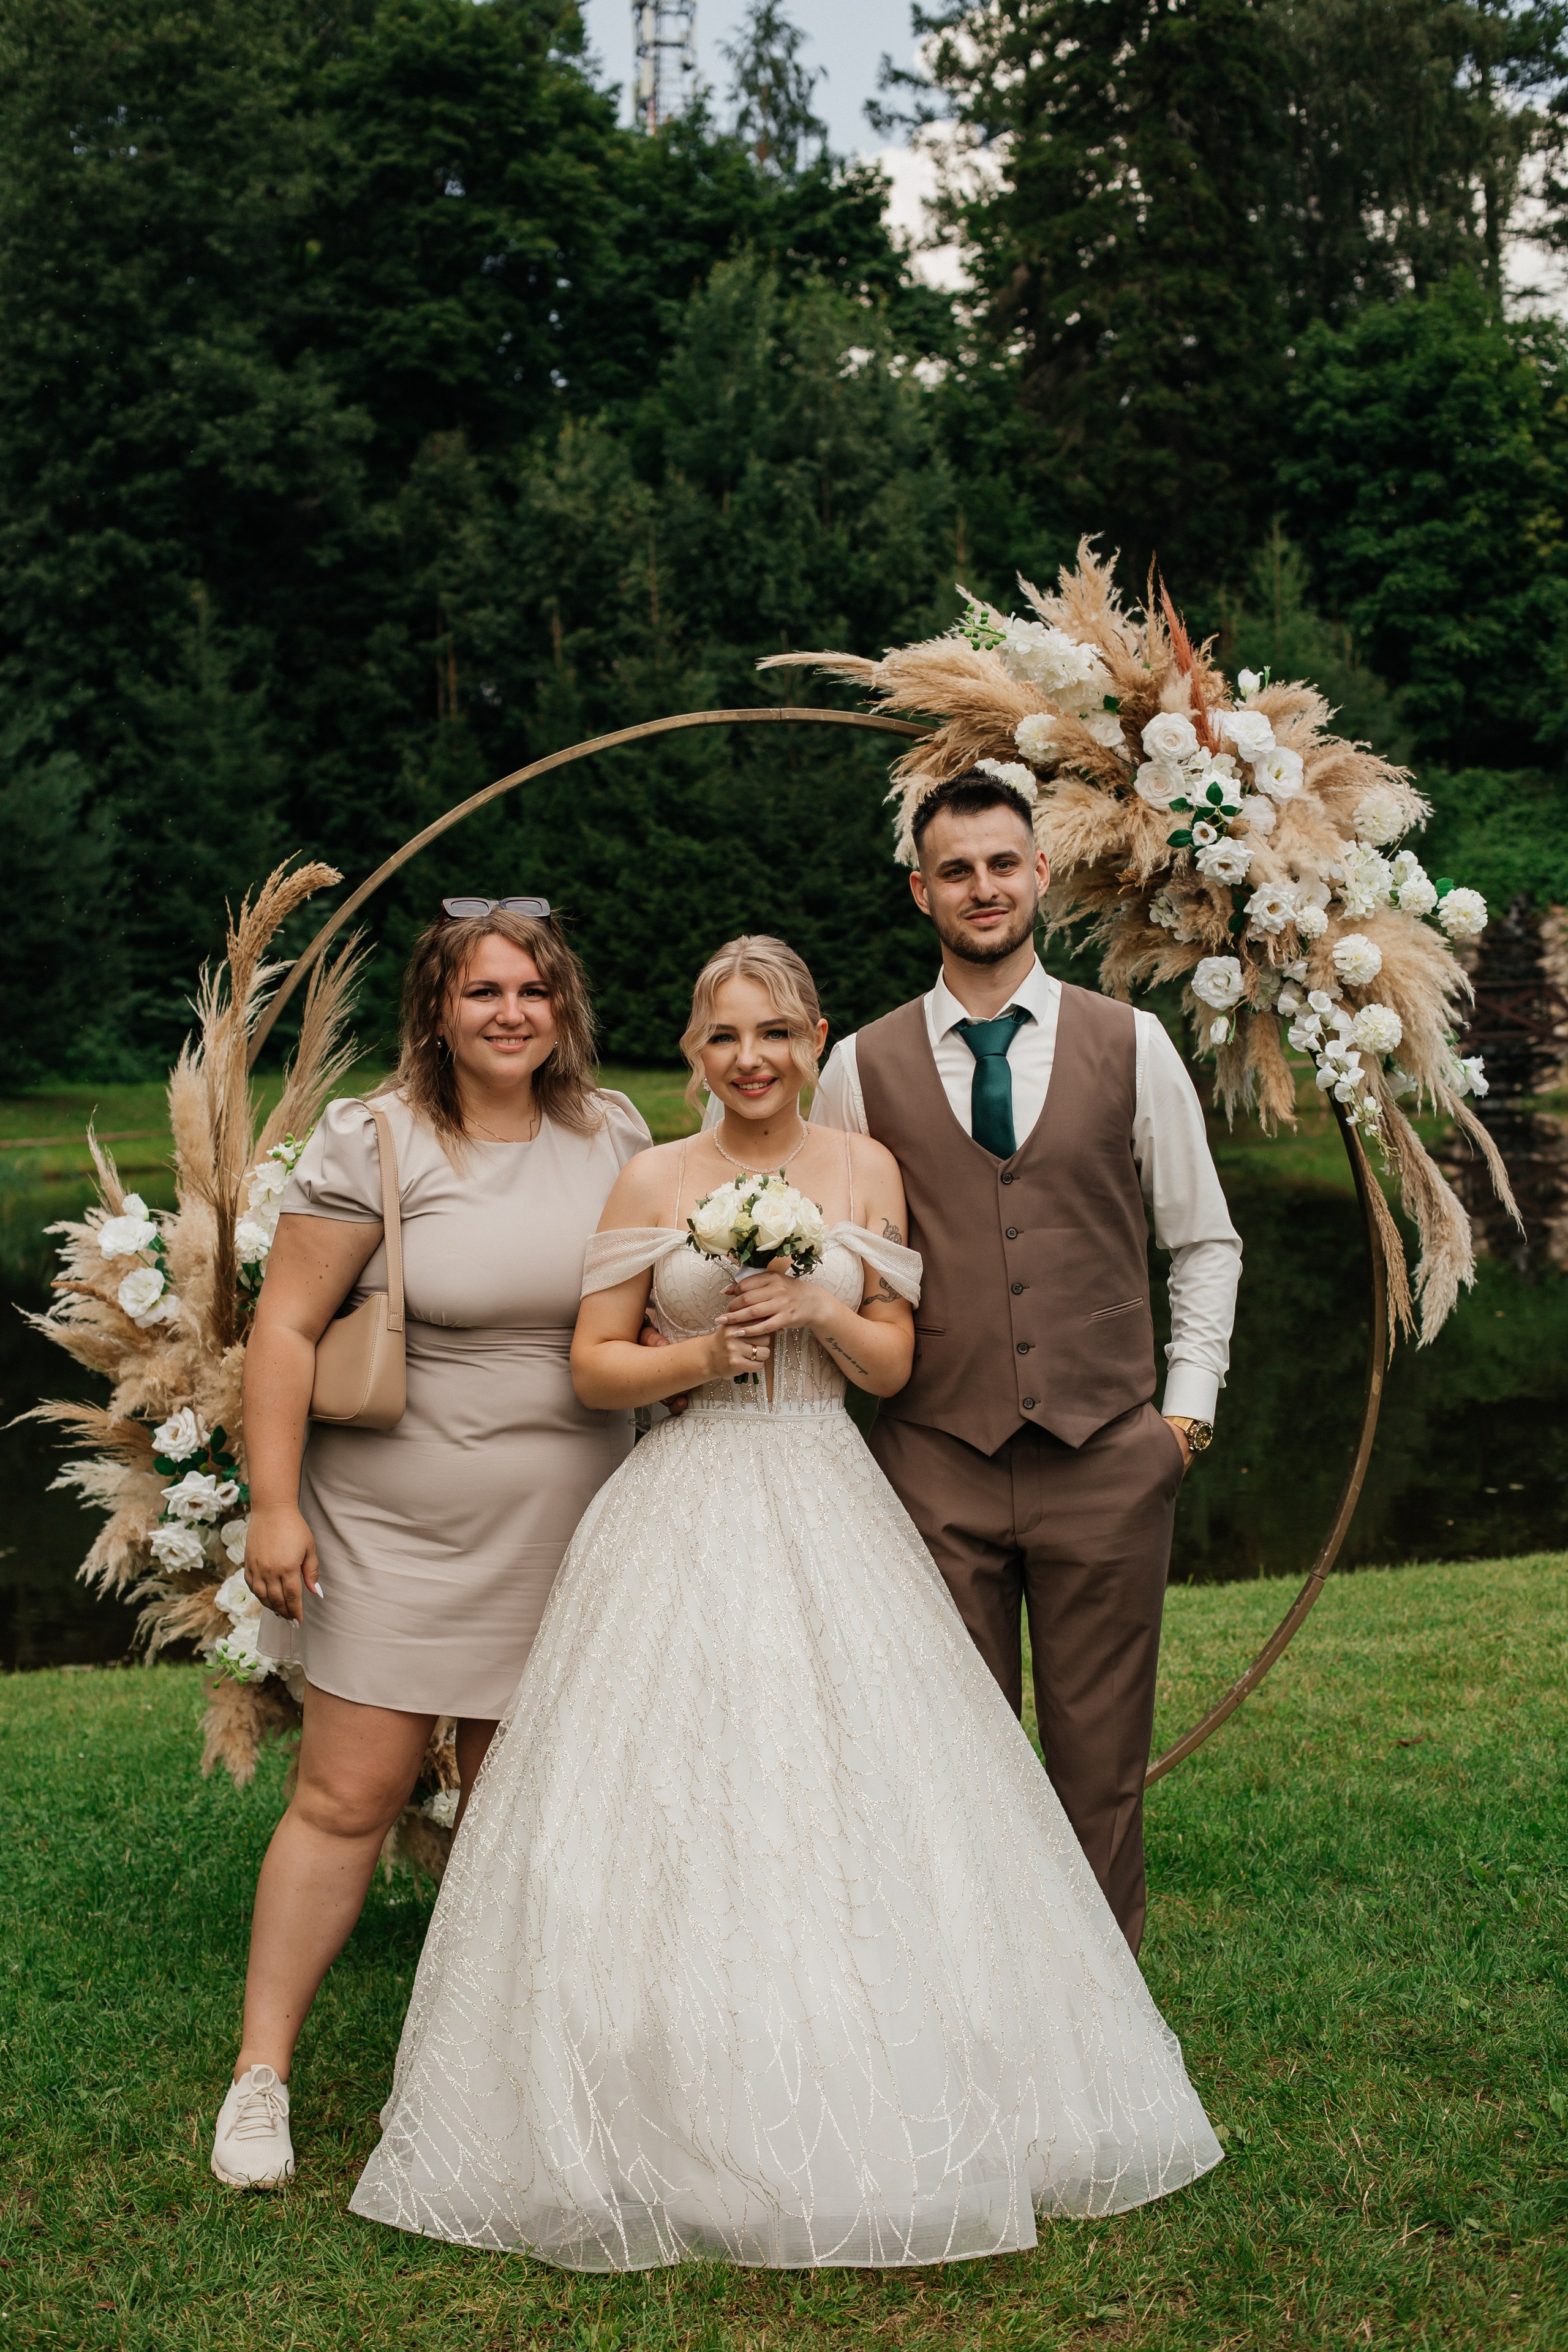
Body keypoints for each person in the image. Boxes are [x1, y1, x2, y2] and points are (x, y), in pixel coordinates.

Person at [349, 933, 1221, 2269]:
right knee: (678, 1789)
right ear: (694, 1054)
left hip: (827, 1484)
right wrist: (702, 1355)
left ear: (815, 1044)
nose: (749, 1059)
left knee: (861, 1784)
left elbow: (893, 1365)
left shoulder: (864, 1169)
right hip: (686, 1492)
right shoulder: (652, 1176)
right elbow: (593, 1366)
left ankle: (904, 2058)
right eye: (723, 1037)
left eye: (774, 1034)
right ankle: (655, 2080)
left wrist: (818, 1311)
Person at [211, 900, 651, 2190]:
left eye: (532, 990)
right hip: (394, 1526)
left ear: (564, 1006)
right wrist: (274, 1504)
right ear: (438, 1012)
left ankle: (505, 2076)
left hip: (571, 1524)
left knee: (524, 1813)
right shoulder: (379, 1137)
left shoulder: (614, 1133)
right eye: (482, 992)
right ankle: (259, 2081)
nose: (510, 1013)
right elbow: (285, 1330)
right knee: (346, 1800)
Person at [810, 768, 1242, 1957]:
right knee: (949, 1766)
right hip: (930, 1464)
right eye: (954, 870)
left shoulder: (1131, 1044)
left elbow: (1203, 1242)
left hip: (1107, 1456)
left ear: (1041, 873)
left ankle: (1104, 2020)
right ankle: (968, 1997)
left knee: (1101, 1772)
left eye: (1002, 863)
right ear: (921, 892)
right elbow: (832, 1259)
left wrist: (1182, 1422)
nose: (982, 887)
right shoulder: (858, 1067)